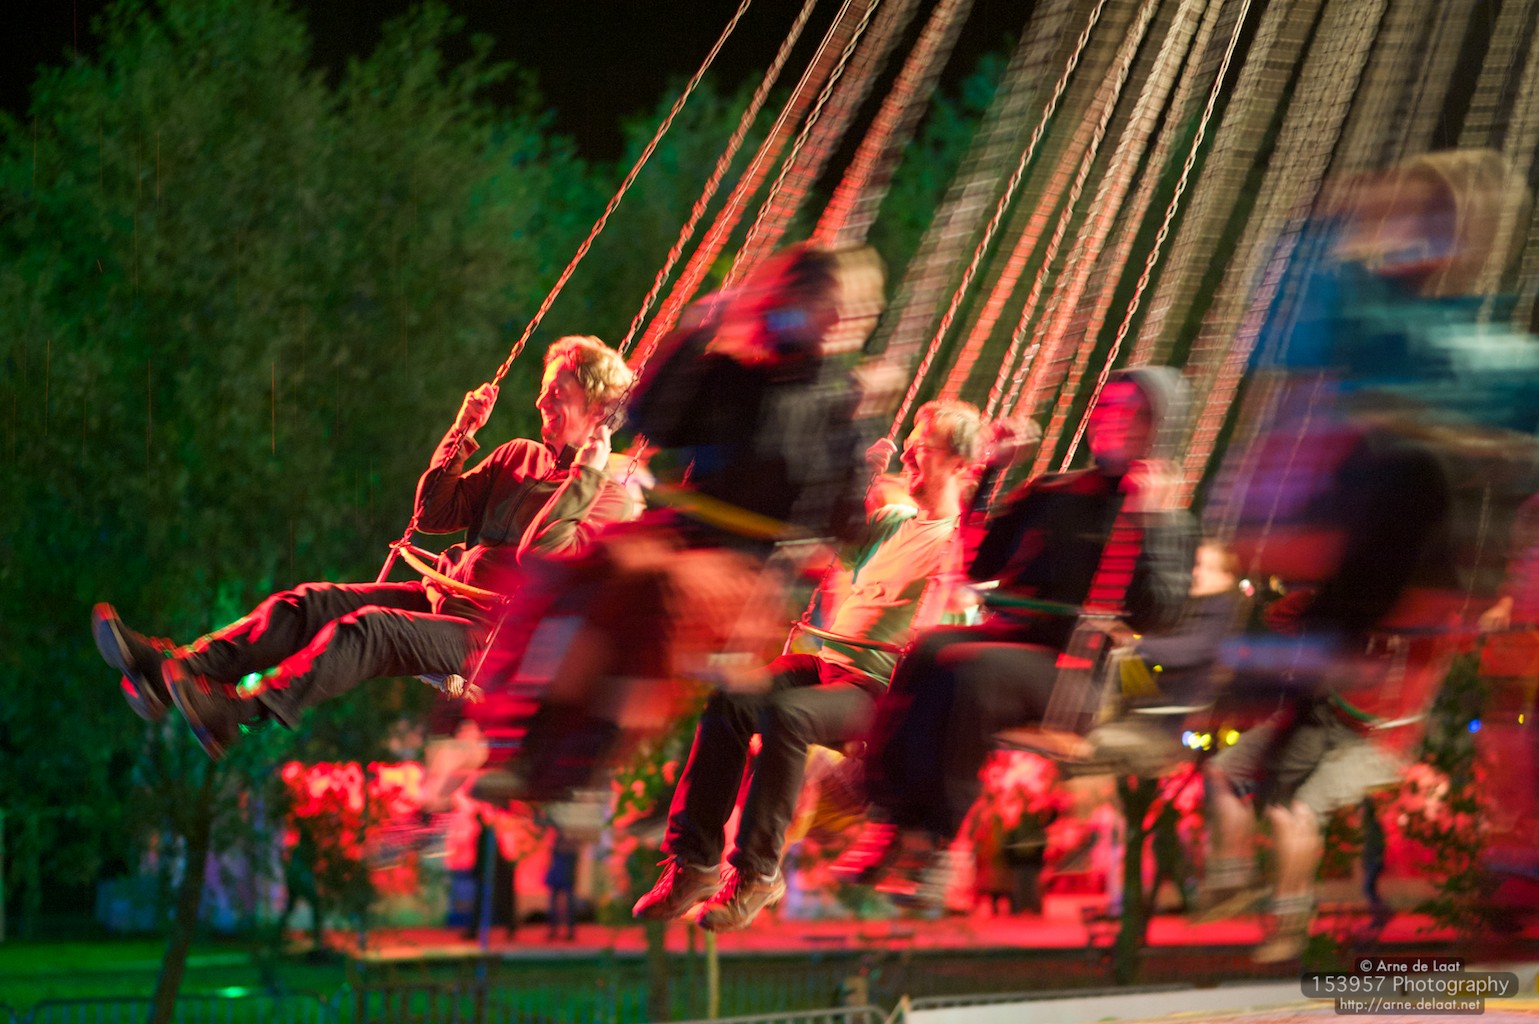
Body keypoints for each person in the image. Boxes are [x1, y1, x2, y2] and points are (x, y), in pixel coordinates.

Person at [92, 336, 636, 759]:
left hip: (490, 640)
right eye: (543, 388)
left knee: (369, 630)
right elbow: (434, 514)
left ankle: (239, 712)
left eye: (557, 393)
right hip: (442, 596)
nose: (540, 399)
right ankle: (176, 668)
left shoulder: (608, 502)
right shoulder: (518, 455)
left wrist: (586, 474)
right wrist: (462, 431)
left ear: (595, 409)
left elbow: (540, 558)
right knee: (313, 602)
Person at [836, 368, 1196, 903]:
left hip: (1072, 674)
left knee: (969, 671)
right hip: (1011, 641)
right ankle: (888, 817)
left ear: (1160, 427)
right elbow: (981, 563)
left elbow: (1160, 614)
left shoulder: (1168, 517)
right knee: (926, 648)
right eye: (1108, 407)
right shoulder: (1055, 491)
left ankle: (940, 843)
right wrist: (991, 475)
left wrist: (1151, 522)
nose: (1115, 420)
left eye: (1134, 413)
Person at [629, 400, 988, 932]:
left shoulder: (956, 543)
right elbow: (837, 541)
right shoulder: (894, 521)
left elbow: (954, 624)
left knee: (789, 717)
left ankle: (756, 873)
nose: (909, 454)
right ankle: (694, 861)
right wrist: (856, 482)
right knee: (732, 699)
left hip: (878, 689)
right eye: (910, 444)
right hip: (826, 663)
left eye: (923, 447)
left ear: (959, 464)